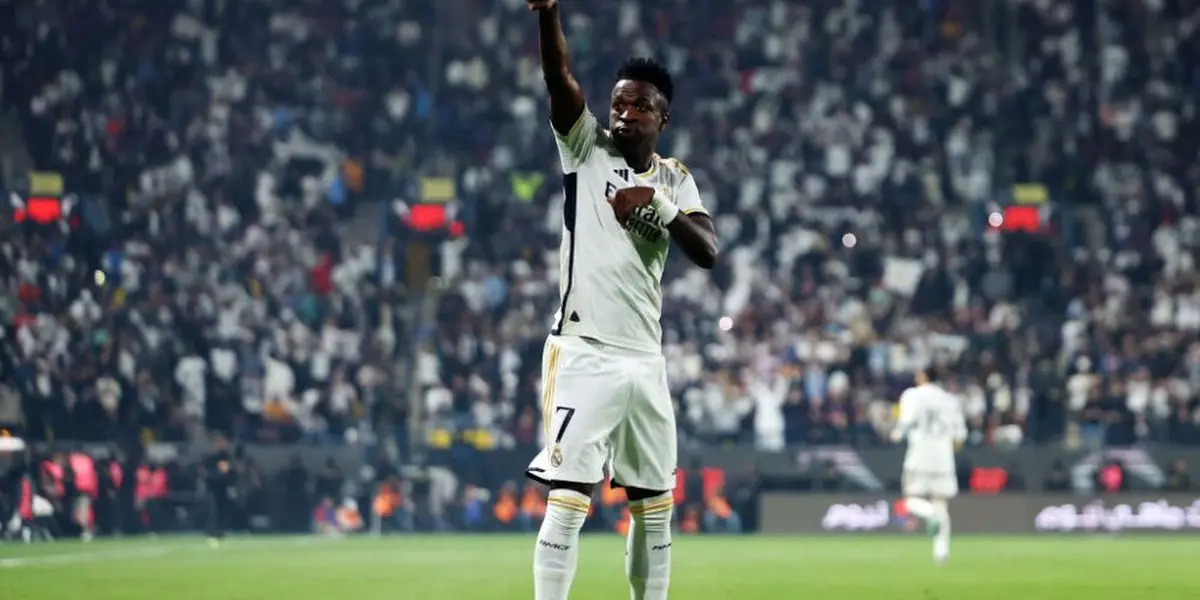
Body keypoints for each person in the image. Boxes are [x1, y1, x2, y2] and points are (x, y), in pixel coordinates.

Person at [521, 2, 719, 599]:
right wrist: (547, 14)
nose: (623, 112)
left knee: (655, 509)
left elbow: (708, 249)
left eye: (638, 105)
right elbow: (560, 81)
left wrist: (654, 203)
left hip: (645, 360)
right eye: (618, 103)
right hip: (583, 353)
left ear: (662, 116)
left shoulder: (675, 178)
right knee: (568, 499)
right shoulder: (586, 150)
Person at [891, 366, 966, 565]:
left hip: (919, 456)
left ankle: (929, 514)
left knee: (910, 500)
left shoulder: (912, 395)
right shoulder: (951, 400)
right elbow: (960, 436)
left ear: (924, 376)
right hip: (943, 459)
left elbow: (905, 422)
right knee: (941, 503)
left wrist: (896, 435)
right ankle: (941, 552)